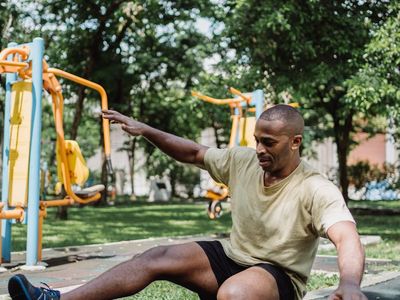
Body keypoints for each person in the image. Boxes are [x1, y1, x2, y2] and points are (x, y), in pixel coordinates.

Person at [8, 105, 367, 300]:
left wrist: (349, 285)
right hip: (233, 258)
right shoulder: (243, 160)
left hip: (278, 279)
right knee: (156, 257)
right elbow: (194, 152)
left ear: (295, 142)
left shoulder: (315, 187)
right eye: (257, 140)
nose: (259, 149)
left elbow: (346, 237)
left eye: (269, 142)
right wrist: (145, 130)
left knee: (236, 294)